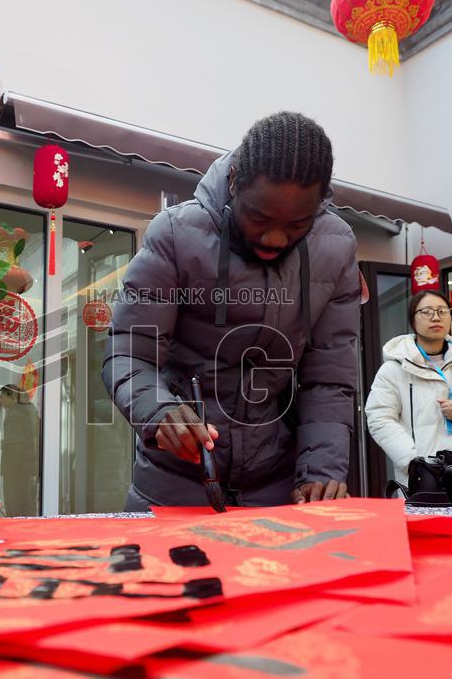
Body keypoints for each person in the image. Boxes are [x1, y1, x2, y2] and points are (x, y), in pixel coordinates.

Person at [103, 111, 360, 510]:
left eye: (298, 224)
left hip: (278, 481)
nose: (275, 237)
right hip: (175, 479)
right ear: (236, 181)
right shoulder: (175, 234)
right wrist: (159, 410)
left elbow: (328, 378)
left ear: (321, 202)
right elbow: (128, 354)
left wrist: (322, 474)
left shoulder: (336, 247)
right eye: (258, 217)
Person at [364, 290, 452, 485]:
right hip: (422, 475)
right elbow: (379, 418)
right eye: (426, 311)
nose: (436, 317)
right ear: (412, 319)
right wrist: (413, 462)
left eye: (442, 311)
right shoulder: (393, 369)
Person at [0, 384, 40, 515]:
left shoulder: (15, 414)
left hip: (15, 467)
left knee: (14, 502)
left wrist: (5, 444)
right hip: (26, 466)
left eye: (2, 396)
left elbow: (17, 444)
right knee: (26, 501)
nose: (0, 399)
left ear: (12, 397)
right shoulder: (29, 410)